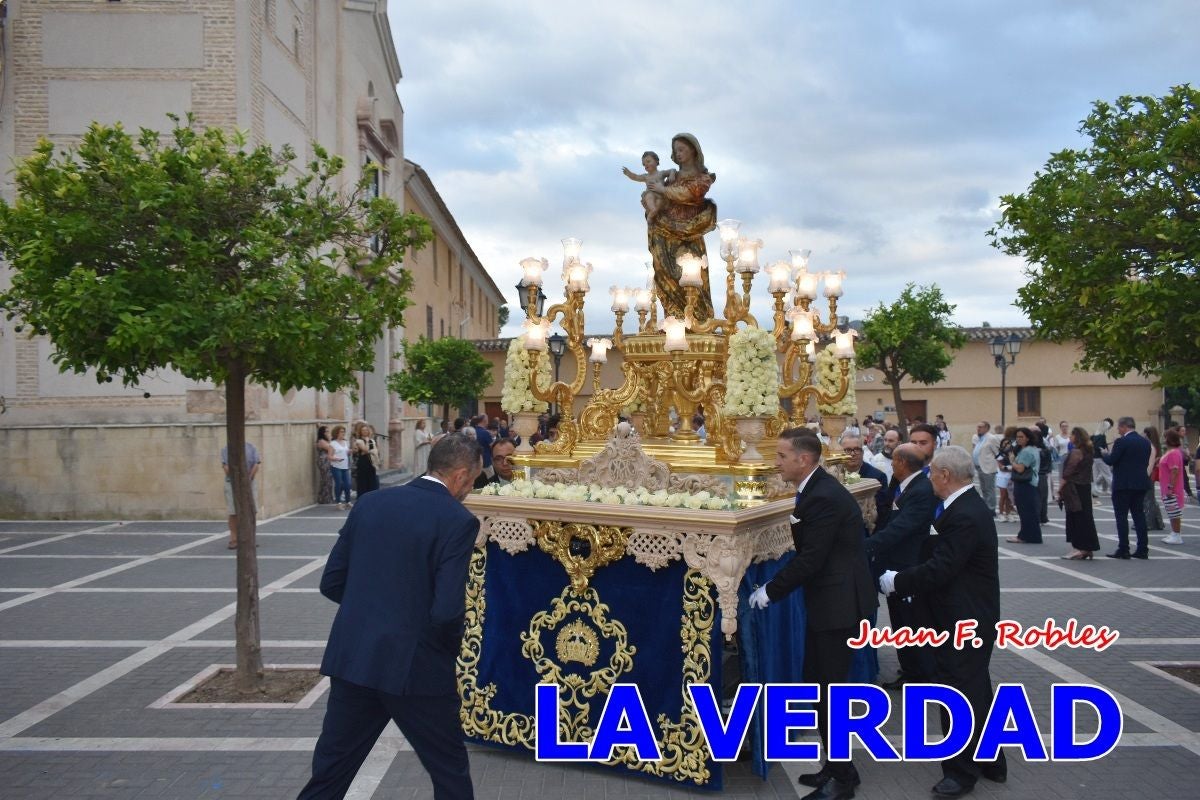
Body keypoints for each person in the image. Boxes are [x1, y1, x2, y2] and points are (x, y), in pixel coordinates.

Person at [298, 434, 482, 800]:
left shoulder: (370, 503)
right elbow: (447, 609)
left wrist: (370, 613)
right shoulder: (456, 520)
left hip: (355, 659)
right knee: (449, 771)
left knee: (332, 771)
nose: (470, 489)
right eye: (473, 480)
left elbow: (332, 581)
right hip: (417, 668)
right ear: (460, 475)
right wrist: (444, 655)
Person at [748, 429, 875, 799]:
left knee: (830, 694)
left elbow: (812, 558)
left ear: (803, 459)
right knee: (820, 687)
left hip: (839, 606)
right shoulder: (815, 489)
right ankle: (836, 768)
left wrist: (770, 590)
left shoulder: (822, 496)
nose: (777, 462)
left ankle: (843, 782)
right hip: (831, 602)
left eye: (782, 456)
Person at [879, 446, 1006, 797]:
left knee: (956, 693)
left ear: (945, 475)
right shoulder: (962, 507)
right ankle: (992, 759)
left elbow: (943, 568)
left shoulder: (965, 514)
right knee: (976, 688)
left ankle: (961, 773)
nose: (930, 477)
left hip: (964, 618)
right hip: (966, 614)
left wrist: (897, 580)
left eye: (933, 471)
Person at [864, 444, 938, 690]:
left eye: (894, 460)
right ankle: (910, 669)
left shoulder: (921, 490)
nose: (891, 464)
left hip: (907, 567)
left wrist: (867, 546)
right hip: (895, 566)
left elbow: (902, 527)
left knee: (912, 623)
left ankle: (920, 675)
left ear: (903, 464)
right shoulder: (906, 485)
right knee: (901, 622)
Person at [644, 133, 717, 323]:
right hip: (664, 231)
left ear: (693, 150)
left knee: (690, 273)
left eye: (682, 149)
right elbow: (660, 198)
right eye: (676, 150)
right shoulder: (672, 177)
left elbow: (688, 194)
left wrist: (663, 190)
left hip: (689, 232)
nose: (678, 153)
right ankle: (674, 317)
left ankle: (696, 317)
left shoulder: (703, 178)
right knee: (663, 271)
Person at [1101, 416, 1152, 559]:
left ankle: (1124, 548)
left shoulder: (1121, 441)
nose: (1118, 430)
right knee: (1139, 516)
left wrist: (1104, 454)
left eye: (1119, 427)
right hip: (1140, 483)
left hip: (1123, 484)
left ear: (1124, 427)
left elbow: (1111, 460)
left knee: (1121, 517)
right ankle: (1143, 549)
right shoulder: (1145, 442)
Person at [1058, 427, 1100, 559]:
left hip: (1074, 488)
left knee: (1076, 517)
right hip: (1084, 487)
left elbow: (1068, 472)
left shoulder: (1076, 452)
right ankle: (1087, 547)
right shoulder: (1088, 451)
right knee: (1086, 517)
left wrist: (1059, 488)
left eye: (1072, 434)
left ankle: (1079, 548)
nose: (1070, 436)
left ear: (1077, 437)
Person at [220, 439, 261, 550]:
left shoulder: (251, 447)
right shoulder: (226, 449)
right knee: (233, 512)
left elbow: (256, 464)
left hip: (250, 482)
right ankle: (234, 539)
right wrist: (238, 479)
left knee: (252, 510)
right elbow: (225, 467)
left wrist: (247, 479)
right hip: (232, 483)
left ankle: (250, 538)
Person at [1006, 427, 1042, 544]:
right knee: (1028, 510)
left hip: (1025, 483)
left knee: (1025, 510)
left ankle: (1026, 536)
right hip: (1031, 483)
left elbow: (1020, 468)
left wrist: (1012, 461)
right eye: (1017, 437)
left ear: (1028, 438)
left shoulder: (1027, 451)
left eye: (1021, 437)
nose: (1019, 439)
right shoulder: (1032, 449)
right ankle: (1030, 535)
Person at [622, 150, 677, 222]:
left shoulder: (661, 173)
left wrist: (672, 175)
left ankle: (652, 215)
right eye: (644, 164)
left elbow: (672, 170)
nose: (646, 165)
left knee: (659, 203)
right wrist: (629, 173)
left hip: (660, 196)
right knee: (649, 196)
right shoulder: (646, 177)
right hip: (650, 195)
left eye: (648, 161)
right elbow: (636, 177)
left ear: (656, 161)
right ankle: (652, 211)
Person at [1159, 429, 1187, 545]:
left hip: (1172, 488)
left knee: (1174, 511)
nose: (1163, 439)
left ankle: (1177, 534)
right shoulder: (1170, 452)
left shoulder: (1174, 453)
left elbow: (1174, 471)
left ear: (1168, 439)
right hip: (1167, 487)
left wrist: (1171, 487)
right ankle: (1174, 533)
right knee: (1171, 511)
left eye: (1164, 437)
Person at [971, 421, 1001, 516]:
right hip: (979, 467)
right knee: (983, 489)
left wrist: (1000, 465)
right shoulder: (978, 438)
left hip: (988, 467)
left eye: (980, 427)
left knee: (989, 489)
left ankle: (991, 509)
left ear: (987, 428)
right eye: (978, 426)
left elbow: (998, 453)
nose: (978, 428)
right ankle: (986, 507)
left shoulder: (991, 438)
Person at [1142, 426, 1166, 531]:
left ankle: (1148, 523)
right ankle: (1158, 522)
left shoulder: (1149, 446)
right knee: (1151, 498)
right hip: (1152, 474)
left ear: (1147, 434)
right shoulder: (1156, 446)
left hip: (1149, 474)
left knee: (1147, 499)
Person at [995, 426, 1018, 523]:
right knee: (1003, 495)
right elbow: (1002, 468)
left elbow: (1014, 463)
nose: (1007, 445)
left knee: (1009, 496)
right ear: (1002, 445)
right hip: (1002, 477)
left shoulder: (1012, 454)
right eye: (1005, 444)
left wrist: (1011, 467)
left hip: (1011, 476)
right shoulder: (1000, 454)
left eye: (1008, 444)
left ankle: (1008, 513)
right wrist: (1011, 468)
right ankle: (1001, 513)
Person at [353, 424, 381, 500]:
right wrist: (370, 451)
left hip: (372, 463)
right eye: (363, 430)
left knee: (372, 480)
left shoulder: (372, 440)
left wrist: (370, 451)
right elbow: (365, 450)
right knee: (363, 481)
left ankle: (372, 497)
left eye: (366, 430)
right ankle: (362, 498)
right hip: (363, 462)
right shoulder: (359, 441)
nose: (365, 431)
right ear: (360, 432)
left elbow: (377, 451)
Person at [329, 425, 352, 510]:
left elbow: (346, 453)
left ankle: (348, 502)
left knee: (348, 484)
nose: (343, 433)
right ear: (336, 433)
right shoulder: (333, 443)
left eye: (344, 432)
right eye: (341, 432)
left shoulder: (345, 442)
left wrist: (349, 452)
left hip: (345, 466)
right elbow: (330, 456)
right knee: (339, 484)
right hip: (336, 466)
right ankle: (338, 502)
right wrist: (336, 458)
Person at [1092, 418, 1114, 496]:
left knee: (1095, 475)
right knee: (1108, 475)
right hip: (1100, 458)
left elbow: (1094, 445)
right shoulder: (1102, 436)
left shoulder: (1095, 435)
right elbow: (1100, 446)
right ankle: (1115, 489)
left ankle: (1094, 491)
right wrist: (1105, 451)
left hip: (1095, 457)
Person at [316, 426, 335, 505]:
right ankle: (324, 498)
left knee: (328, 479)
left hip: (327, 460)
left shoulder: (326, 441)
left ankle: (327, 497)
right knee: (326, 479)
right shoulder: (321, 441)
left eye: (328, 431)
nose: (328, 433)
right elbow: (331, 448)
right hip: (323, 460)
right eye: (326, 431)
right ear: (322, 433)